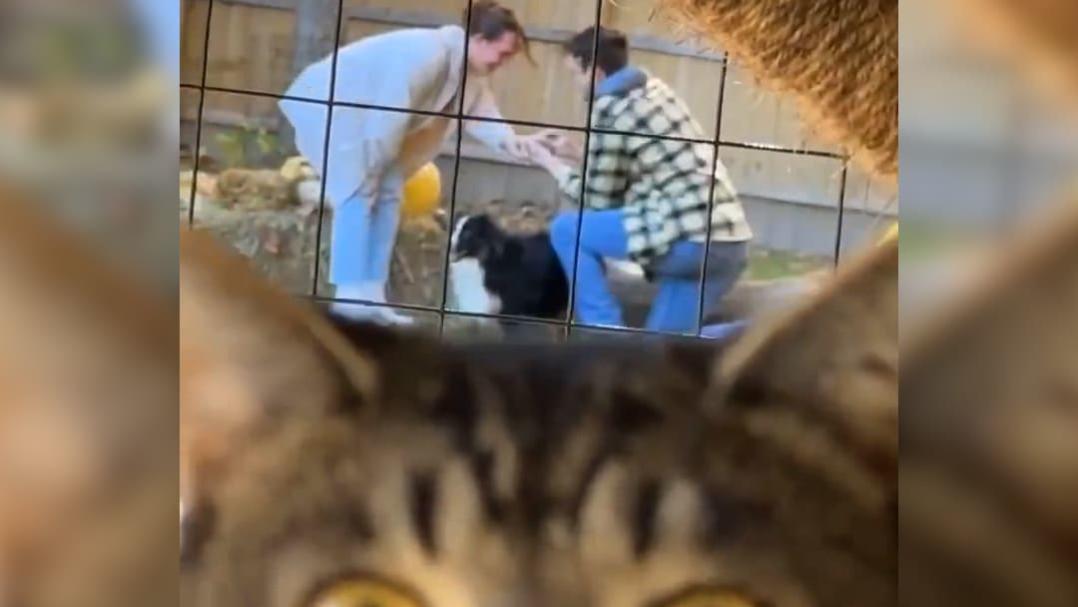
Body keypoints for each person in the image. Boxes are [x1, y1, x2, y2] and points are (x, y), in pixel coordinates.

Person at [279, 1, 547, 324]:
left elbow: (480, 113)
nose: (502, 63)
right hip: (343, 108)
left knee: (389, 194)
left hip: (379, 125)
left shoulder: (467, 68)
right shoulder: (428, 53)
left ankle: (372, 296)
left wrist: (515, 142)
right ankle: (349, 298)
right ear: (478, 39)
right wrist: (374, 162)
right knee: (357, 194)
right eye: (502, 54)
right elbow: (389, 109)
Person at [526, 26, 753, 334]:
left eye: (574, 74)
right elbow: (650, 166)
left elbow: (597, 201)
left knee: (567, 230)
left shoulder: (609, 105)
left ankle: (604, 334)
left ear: (592, 69)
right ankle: (761, 338)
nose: (575, 84)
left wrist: (549, 162)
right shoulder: (655, 91)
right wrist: (579, 155)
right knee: (661, 352)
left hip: (687, 237)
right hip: (729, 242)